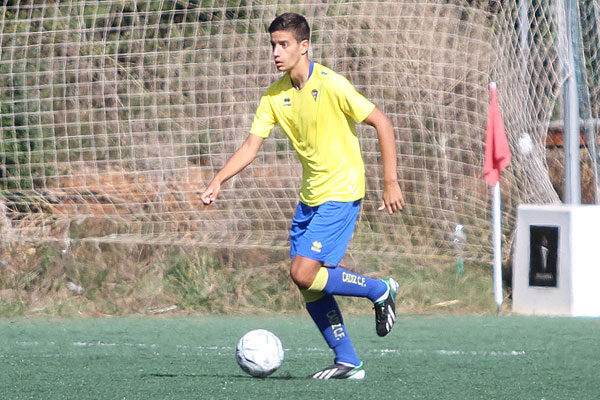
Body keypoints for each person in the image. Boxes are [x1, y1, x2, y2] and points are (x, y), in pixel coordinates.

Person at [201, 12, 405, 380]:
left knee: (303, 271)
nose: (276, 52)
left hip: (342, 190)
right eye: (273, 45)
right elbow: (251, 146)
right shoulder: (274, 96)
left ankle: (380, 289)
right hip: (310, 197)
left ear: (304, 46)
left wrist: (390, 181)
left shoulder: (331, 84)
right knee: (305, 283)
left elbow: (382, 123)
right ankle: (348, 362)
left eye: (284, 44)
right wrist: (219, 179)